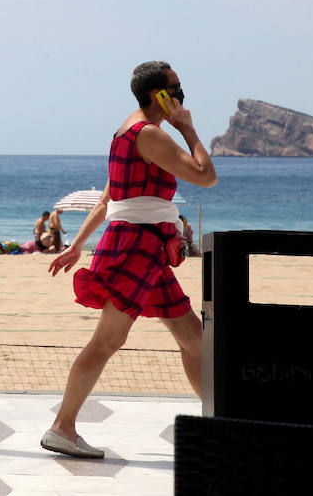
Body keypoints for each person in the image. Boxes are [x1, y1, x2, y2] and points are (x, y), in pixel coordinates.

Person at [44, 61, 217, 459]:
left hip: (146, 248)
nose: (181, 96)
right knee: (108, 340)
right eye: (176, 89)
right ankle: (62, 428)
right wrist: (187, 128)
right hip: (135, 247)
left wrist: (77, 245)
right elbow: (206, 175)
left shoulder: (125, 132)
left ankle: (217, 421)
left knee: (193, 337)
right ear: (158, 95)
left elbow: (110, 200)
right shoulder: (150, 135)